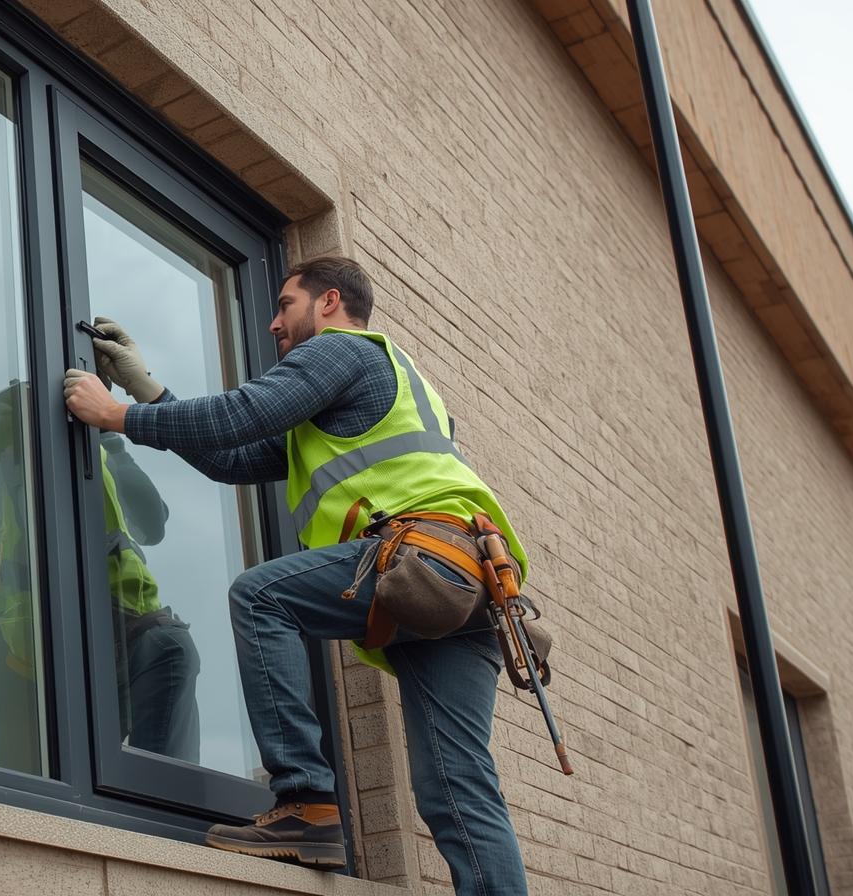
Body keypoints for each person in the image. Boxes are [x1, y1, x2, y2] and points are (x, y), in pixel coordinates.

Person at [64, 256, 531, 893]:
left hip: (420, 558)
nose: (274, 323)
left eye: (285, 305)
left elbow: (237, 415)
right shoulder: (380, 383)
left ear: (330, 302)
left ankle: (307, 805)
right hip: (466, 583)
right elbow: (229, 456)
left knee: (260, 597)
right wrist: (147, 387)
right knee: (458, 789)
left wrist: (117, 417)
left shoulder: (344, 352)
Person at [0, 383, 200, 771]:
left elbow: (152, 523)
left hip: (123, 639)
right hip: (27, 659)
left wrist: (107, 438)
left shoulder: (96, 459)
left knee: (159, 785)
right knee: (32, 798)